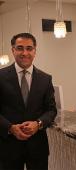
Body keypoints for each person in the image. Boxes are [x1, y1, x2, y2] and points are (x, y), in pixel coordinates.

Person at [0, 33, 57, 170]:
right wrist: (10, 128)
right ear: (13, 50)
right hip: (8, 148)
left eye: (29, 48)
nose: (25, 53)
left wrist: (38, 124)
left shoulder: (45, 79)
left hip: (37, 148)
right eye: (20, 48)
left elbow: (51, 110)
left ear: (35, 51)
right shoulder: (0, 77)